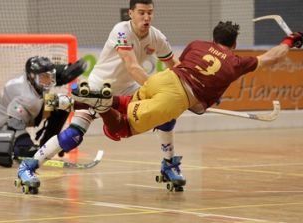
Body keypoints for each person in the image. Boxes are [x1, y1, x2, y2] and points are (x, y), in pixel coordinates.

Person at [70, 22, 303, 183]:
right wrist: (290, 40)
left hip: (163, 79)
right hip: (177, 98)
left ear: (213, 38)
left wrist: (209, 92)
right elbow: (273, 57)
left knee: (129, 102)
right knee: (121, 129)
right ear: (233, 43)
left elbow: (185, 67)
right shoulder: (236, 61)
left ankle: (77, 101)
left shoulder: (197, 44)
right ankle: (100, 105)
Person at [16, 0, 184, 193]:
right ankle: (27, 167)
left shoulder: (157, 37)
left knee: (166, 114)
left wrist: (190, 89)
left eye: (150, 13)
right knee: (73, 136)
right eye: (141, 13)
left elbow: (175, 66)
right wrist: (155, 91)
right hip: (98, 87)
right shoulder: (121, 31)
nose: (146, 18)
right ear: (130, 13)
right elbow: (132, 66)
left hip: (128, 89)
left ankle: (169, 165)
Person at [0, 56, 87, 168]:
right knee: (27, 153)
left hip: (27, 111)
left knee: (62, 105)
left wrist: (77, 67)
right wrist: (29, 148)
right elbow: (15, 124)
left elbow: (60, 74)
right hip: (7, 120)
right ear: (32, 76)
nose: (48, 81)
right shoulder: (26, 96)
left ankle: (48, 144)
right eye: (44, 77)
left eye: (50, 76)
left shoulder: (36, 79)